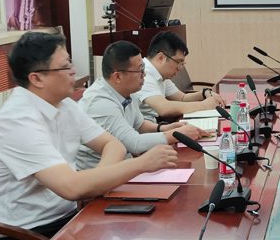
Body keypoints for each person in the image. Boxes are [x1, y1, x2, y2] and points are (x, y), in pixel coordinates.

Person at [0, 32, 178, 239]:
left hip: (66, 218)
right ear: (37, 78)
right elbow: (71, 187)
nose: (74, 71)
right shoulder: (17, 121)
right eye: (65, 66)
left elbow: (113, 145)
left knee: (149, 229)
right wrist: (142, 163)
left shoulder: (64, 105)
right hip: (23, 234)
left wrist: (99, 183)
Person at [76, 40, 207, 170]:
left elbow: (139, 124)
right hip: (100, 176)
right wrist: (175, 134)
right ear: (117, 77)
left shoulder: (127, 90)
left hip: (124, 165)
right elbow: (135, 143)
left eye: (143, 68)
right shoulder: (100, 103)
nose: (144, 75)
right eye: (139, 71)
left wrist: (164, 128)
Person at [135, 31, 226, 121]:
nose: (180, 68)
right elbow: (164, 108)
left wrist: (204, 93)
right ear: (161, 58)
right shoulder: (143, 74)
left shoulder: (160, 74)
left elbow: (182, 98)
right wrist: (203, 105)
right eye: (178, 62)